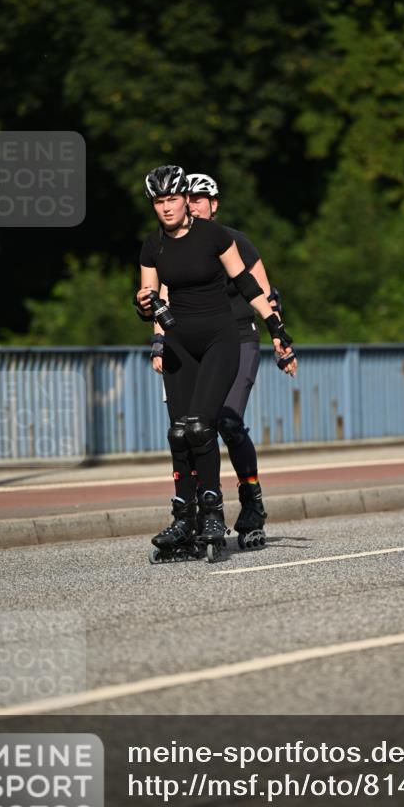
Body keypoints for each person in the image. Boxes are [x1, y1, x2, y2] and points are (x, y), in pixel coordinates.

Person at [135, 164, 295, 564]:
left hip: (224, 337)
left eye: (173, 199)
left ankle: (214, 514)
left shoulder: (217, 236)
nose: (167, 207)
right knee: (178, 432)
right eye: (159, 201)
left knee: (205, 426)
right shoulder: (152, 247)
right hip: (179, 343)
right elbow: (151, 297)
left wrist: (277, 329)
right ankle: (182, 518)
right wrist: (144, 311)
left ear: (188, 199)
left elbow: (247, 284)